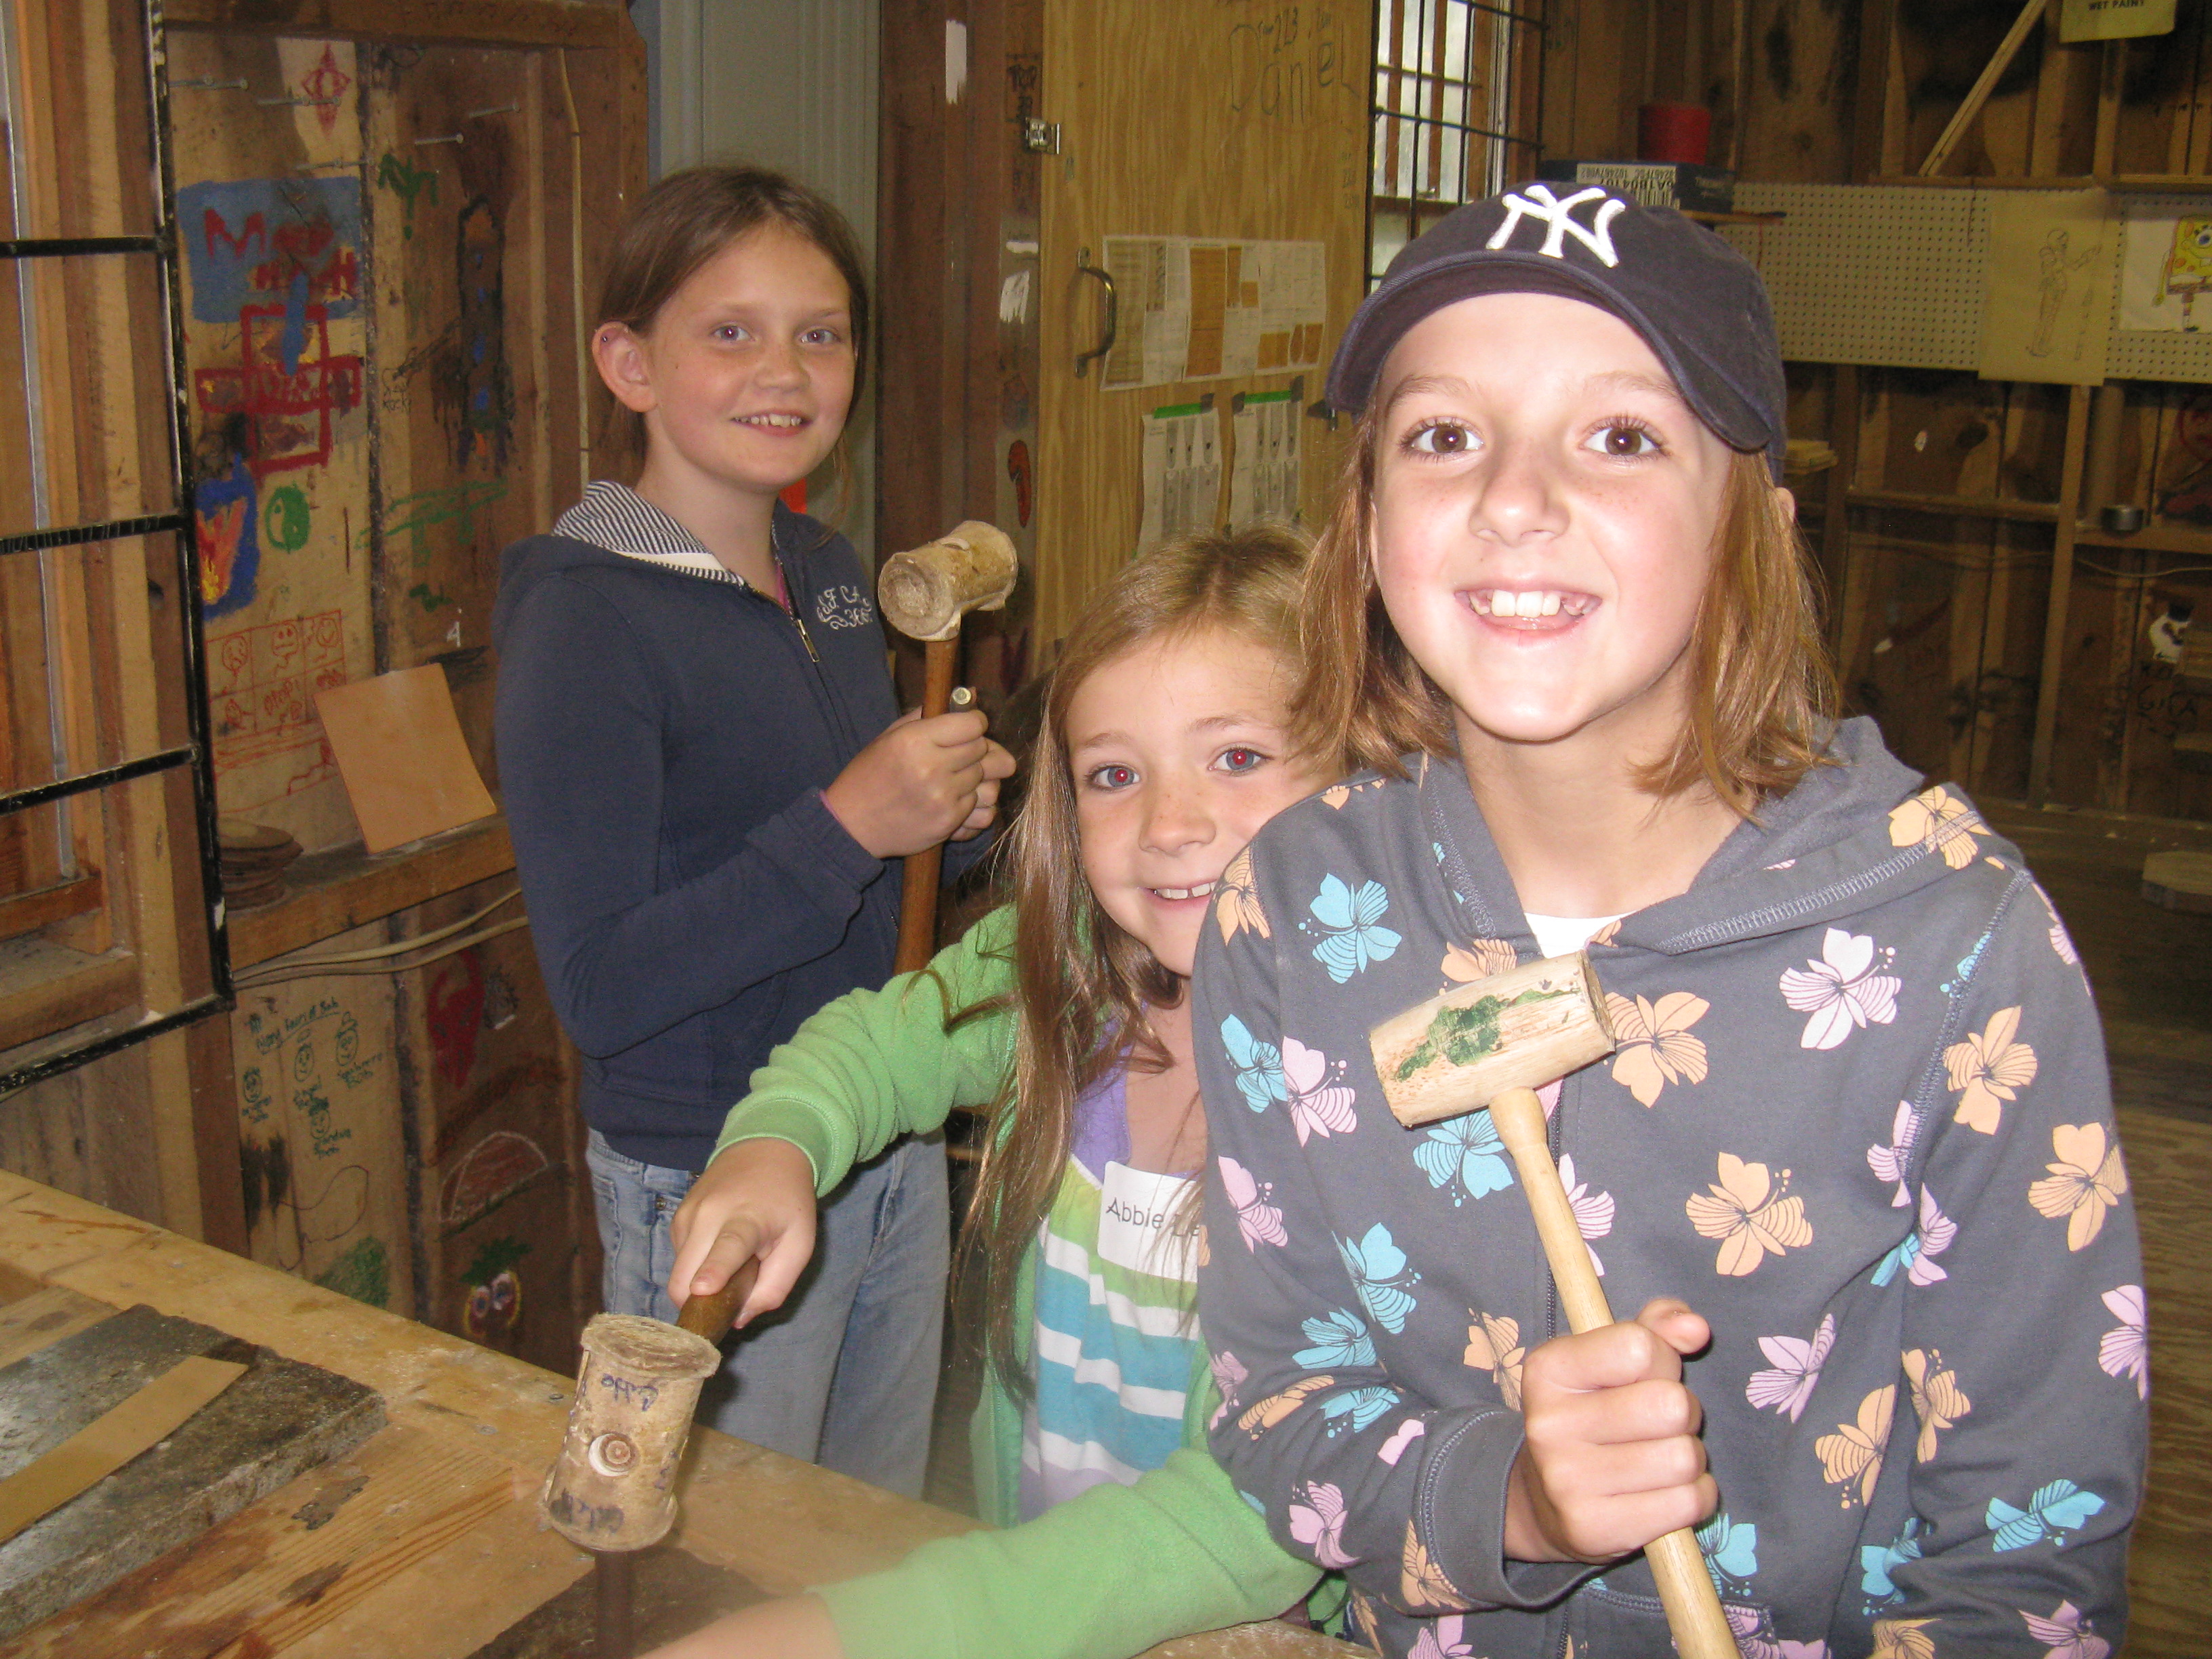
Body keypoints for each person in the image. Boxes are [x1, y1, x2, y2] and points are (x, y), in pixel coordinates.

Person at [1193, 185, 2148, 1658]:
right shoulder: (1294, 913)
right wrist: (1511, 1503)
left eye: (1622, 437)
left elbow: (2032, 1558)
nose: (1516, 499)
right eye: (1443, 435)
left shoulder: (1958, 952)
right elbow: (1277, 1402)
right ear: (1369, 521)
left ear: (1747, 527)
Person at [640, 529, 1352, 1659]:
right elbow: (877, 1048)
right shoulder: (1060, 977)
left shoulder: (1383, 1107)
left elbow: (1262, 1510)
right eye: (1115, 774)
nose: (1170, 824)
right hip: (1037, 1574)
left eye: (1238, 756)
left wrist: (881, 1631)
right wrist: (772, 1147)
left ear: (1367, 765)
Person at [492, 164, 1013, 1495]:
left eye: (820, 333)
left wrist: (947, 821)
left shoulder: (828, 574)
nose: (784, 371)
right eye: (731, 331)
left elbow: (852, 881)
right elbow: (602, 988)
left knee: (865, 1526)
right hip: (709, 1168)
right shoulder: (585, 621)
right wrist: (850, 822)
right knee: (730, 1550)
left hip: (880, 1128)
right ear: (629, 364)